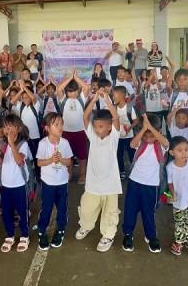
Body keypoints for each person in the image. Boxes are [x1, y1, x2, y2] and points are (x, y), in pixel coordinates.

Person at [74, 89, 121, 253]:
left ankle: (108, 235)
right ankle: (85, 226)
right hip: (93, 183)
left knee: (110, 213)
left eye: (101, 126)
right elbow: (85, 117)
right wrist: (94, 99)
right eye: (95, 126)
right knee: (87, 208)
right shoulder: (92, 136)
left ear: (109, 127)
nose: (97, 129)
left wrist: (107, 99)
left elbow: (116, 118)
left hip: (110, 184)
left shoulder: (113, 137)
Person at [122, 113, 169, 254]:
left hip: (151, 186)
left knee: (149, 212)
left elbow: (166, 142)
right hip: (134, 183)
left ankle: (151, 236)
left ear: (159, 132)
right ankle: (128, 235)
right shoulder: (140, 144)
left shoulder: (161, 146)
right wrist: (144, 128)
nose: (148, 139)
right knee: (130, 210)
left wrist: (151, 128)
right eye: (145, 135)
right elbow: (132, 143)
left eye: (152, 135)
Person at [0, 114, 32, 253]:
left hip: (19, 185)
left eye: (11, 126)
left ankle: (25, 236)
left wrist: (11, 143)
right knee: (6, 212)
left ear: (19, 128)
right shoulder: (2, 144)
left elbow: (19, 160)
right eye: (5, 126)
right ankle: (10, 235)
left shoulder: (23, 144)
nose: (7, 129)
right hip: (5, 186)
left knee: (22, 211)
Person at [36, 112, 73, 250]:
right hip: (48, 183)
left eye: (61, 124)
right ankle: (42, 231)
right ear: (47, 128)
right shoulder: (43, 143)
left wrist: (61, 159)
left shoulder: (65, 143)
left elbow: (69, 162)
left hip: (62, 182)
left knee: (62, 207)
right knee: (46, 208)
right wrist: (51, 160)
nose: (60, 127)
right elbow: (39, 162)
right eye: (56, 125)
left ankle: (61, 230)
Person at [56, 71, 90, 184]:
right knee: (67, 156)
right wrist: (70, 77)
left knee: (82, 157)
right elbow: (59, 89)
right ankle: (68, 174)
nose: (72, 93)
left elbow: (86, 87)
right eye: (69, 91)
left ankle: (82, 175)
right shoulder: (63, 100)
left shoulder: (81, 99)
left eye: (74, 91)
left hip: (80, 132)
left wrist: (76, 77)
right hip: (66, 132)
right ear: (66, 92)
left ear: (78, 90)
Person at [114, 86, 138, 180]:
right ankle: (122, 171)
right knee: (119, 154)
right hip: (118, 136)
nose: (113, 97)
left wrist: (129, 128)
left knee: (131, 153)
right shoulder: (114, 108)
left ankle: (134, 170)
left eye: (115, 94)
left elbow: (135, 121)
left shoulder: (129, 108)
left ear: (122, 95)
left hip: (129, 136)